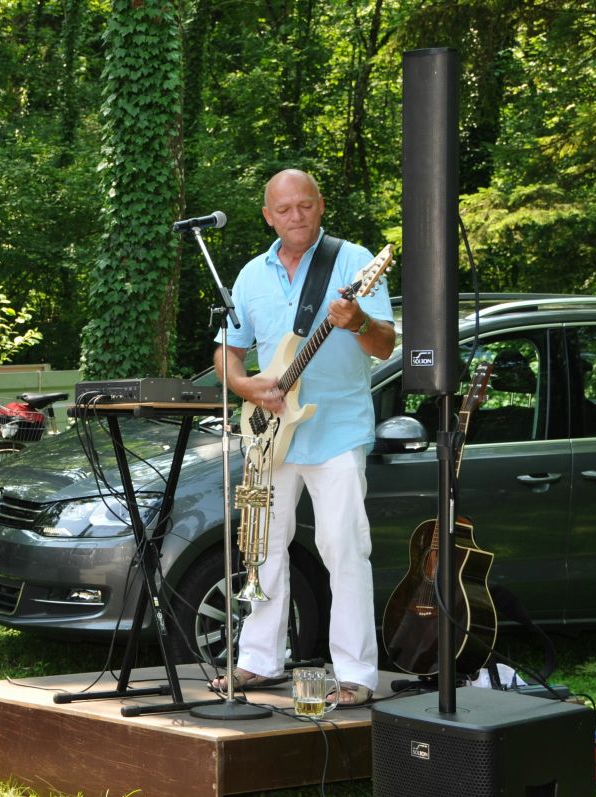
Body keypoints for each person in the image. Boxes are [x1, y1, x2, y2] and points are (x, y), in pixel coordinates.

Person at [210, 168, 394, 706]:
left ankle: (355, 673)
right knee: (262, 545)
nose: (296, 216)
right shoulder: (251, 275)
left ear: (321, 205)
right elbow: (227, 350)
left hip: (337, 429)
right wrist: (246, 386)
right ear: (268, 216)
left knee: (344, 547)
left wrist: (358, 322)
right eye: (285, 209)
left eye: (305, 205)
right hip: (270, 431)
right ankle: (259, 660)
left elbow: (385, 345)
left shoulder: (354, 261)